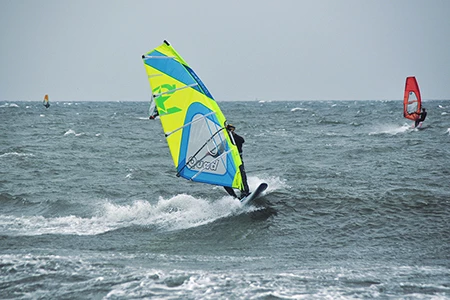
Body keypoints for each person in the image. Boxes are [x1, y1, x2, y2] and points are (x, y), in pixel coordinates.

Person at [223, 124, 250, 199]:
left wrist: (232, 134)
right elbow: (219, 150)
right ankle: (233, 197)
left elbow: (242, 140)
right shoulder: (225, 140)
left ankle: (245, 193)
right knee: (225, 180)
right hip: (227, 161)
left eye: (232, 130)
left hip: (238, 159)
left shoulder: (236, 138)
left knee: (242, 176)